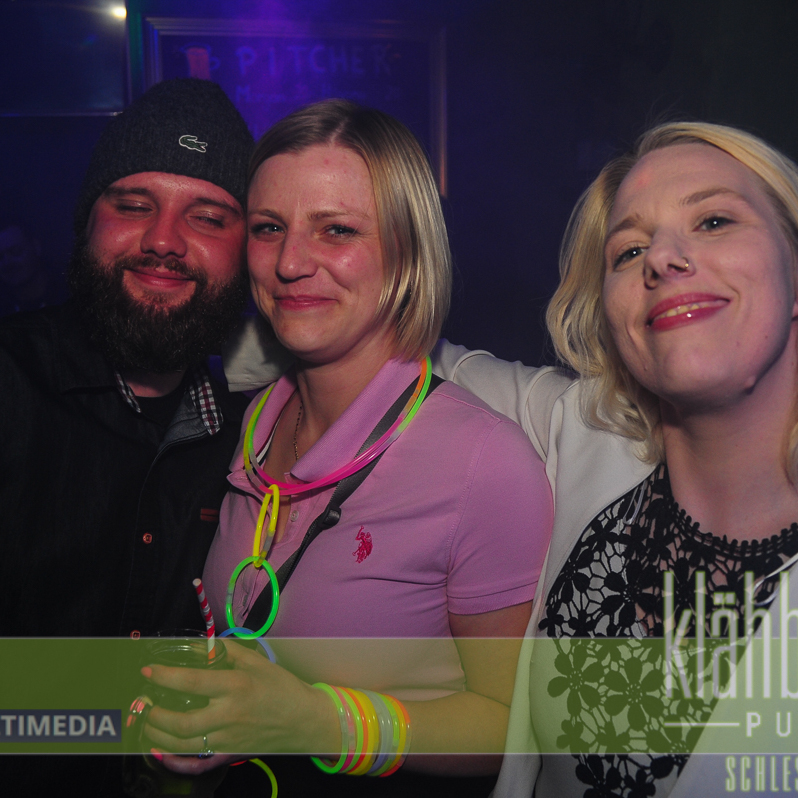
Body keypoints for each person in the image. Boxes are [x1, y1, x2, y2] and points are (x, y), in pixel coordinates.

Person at [140, 99, 553, 796]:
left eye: (336, 230)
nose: (291, 262)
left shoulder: (483, 462)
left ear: (408, 250)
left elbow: (512, 728)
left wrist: (318, 722)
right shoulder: (245, 423)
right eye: (269, 228)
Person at [429, 121, 798, 797]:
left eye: (714, 220)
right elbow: (405, 357)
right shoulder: (591, 433)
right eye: (629, 251)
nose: (662, 258)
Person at [0, 78, 253, 795]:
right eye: (134, 205)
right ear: (86, 222)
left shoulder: (250, 430)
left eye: (208, 217)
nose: (163, 240)